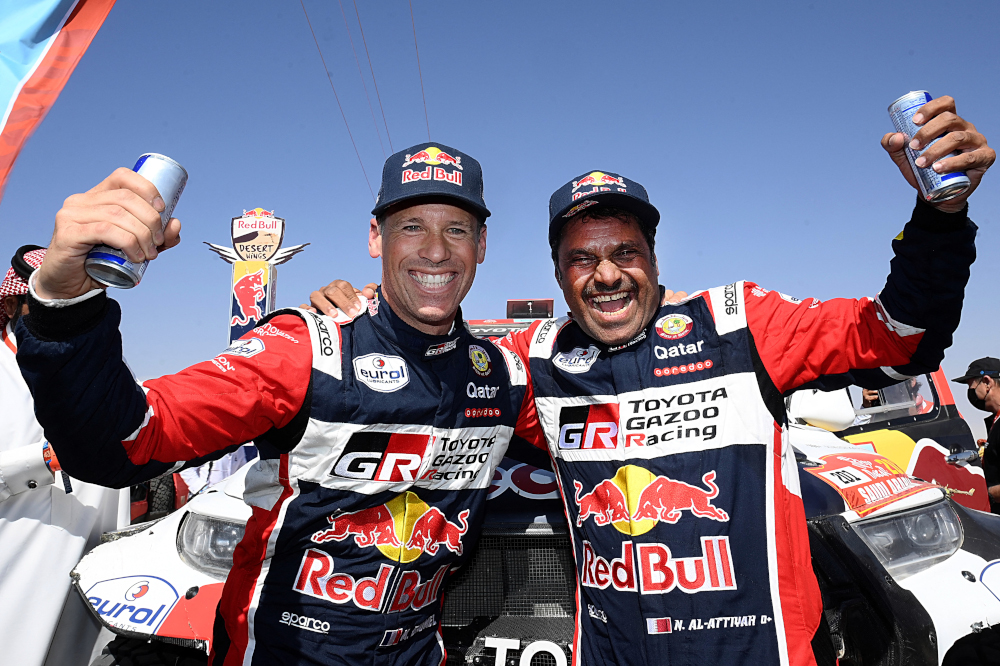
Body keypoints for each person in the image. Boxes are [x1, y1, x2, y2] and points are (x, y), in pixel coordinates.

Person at [316, 94, 991, 665]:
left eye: (623, 253)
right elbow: (436, 384)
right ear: (558, 275)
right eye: (581, 259)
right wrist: (360, 320)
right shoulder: (537, 359)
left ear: (652, 256)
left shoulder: (740, 322)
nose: (605, 275)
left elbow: (901, 337)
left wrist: (941, 219)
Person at [15, 144, 538, 665]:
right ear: (376, 238)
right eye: (411, 227)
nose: (436, 251)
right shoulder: (305, 349)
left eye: (456, 230)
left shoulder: (507, 375)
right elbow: (124, 442)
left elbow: (604, 412)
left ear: (482, 245)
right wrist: (66, 305)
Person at [0, 245, 126, 666]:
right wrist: (46, 460)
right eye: (54, 297)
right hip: (17, 567)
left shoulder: (106, 372)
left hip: (90, 576)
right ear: (19, 302)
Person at [952, 357, 1000, 513]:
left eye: (971, 385)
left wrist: (985, 495)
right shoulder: (996, 420)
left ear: (987, 382)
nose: (970, 392)